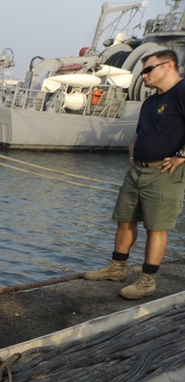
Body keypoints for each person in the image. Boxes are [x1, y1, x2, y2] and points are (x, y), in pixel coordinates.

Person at [83, 49, 185, 299]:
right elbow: (141, 130)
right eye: (143, 71)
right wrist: (133, 148)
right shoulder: (151, 101)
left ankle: (147, 280)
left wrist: (182, 154)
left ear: (169, 65)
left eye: (148, 69)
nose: (144, 75)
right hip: (137, 168)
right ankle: (117, 268)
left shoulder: (182, 92)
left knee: (156, 228)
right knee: (125, 219)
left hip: (164, 172)